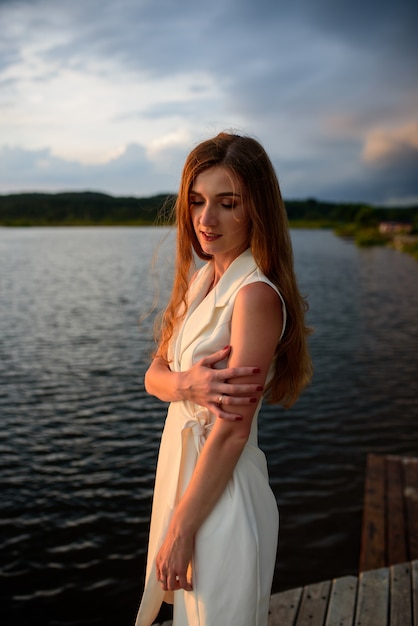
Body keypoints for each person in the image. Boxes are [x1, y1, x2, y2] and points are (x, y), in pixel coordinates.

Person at [135, 132, 312, 626]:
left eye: (226, 203)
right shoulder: (204, 277)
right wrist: (186, 386)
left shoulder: (254, 296)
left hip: (223, 494)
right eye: (196, 202)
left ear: (256, 208)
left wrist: (180, 530)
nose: (205, 220)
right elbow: (154, 375)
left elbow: (233, 428)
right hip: (182, 481)